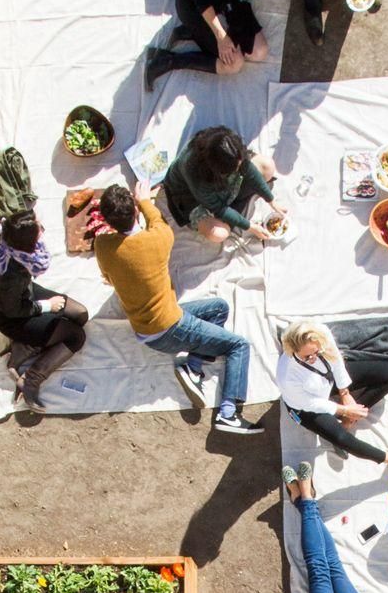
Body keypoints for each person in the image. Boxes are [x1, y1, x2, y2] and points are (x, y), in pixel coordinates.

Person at [89, 182, 262, 434]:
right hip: (170, 327)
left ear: (107, 221)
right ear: (135, 212)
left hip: (148, 325)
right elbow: (156, 218)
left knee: (219, 308)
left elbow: (107, 276)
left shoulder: (102, 246)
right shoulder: (159, 237)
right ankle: (228, 412)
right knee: (239, 346)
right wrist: (145, 200)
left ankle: (193, 367)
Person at [276, 319, 388, 477]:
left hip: (328, 380)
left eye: (317, 352)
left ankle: (348, 421)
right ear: (292, 351)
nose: (314, 358)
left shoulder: (320, 332)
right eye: (308, 357)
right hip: (305, 406)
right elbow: (311, 403)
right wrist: (344, 409)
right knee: (341, 438)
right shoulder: (287, 376)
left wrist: (345, 393)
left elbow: (335, 359)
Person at [0, 212, 87, 410]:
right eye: (37, 231)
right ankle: (31, 379)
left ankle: (27, 347)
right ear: (25, 245)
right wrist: (48, 306)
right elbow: (14, 310)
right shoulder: (11, 277)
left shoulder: (8, 237)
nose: (41, 229)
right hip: (13, 318)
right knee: (76, 336)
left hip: (24, 295)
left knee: (80, 314)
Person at [164, 125, 286, 245]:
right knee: (219, 233)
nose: (241, 167)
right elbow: (219, 208)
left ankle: (234, 210)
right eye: (236, 168)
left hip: (221, 177)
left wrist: (271, 201)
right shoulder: (194, 173)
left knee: (268, 167)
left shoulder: (227, 145)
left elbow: (248, 168)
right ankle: (233, 211)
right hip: (190, 196)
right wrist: (250, 227)